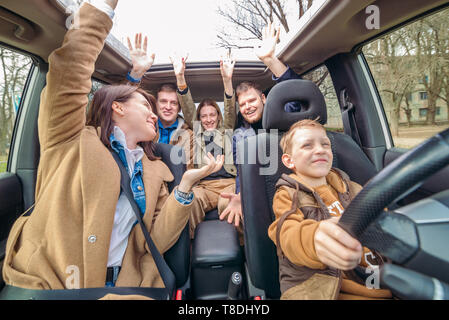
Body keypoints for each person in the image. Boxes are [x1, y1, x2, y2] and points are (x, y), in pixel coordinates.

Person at [2, 0, 223, 298]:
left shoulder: (158, 169)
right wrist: (101, 9)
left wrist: (184, 185)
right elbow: (69, 74)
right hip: (51, 285)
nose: (156, 113)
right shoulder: (70, 140)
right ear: (117, 107)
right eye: (147, 105)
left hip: (127, 287)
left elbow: (156, 240)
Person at [267, 119, 392, 300]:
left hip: (380, 276)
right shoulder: (288, 193)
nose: (320, 149)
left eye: (325, 144)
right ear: (289, 160)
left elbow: (379, 213)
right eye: (307, 146)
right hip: (333, 287)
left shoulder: (351, 187)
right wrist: (313, 239)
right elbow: (284, 231)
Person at [219, 22, 302, 229]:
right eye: (243, 104)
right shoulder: (240, 135)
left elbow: (297, 95)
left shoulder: (285, 119)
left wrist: (270, 60)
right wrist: (240, 195)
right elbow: (242, 170)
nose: (248, 107)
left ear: (263, 98)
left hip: (294, 187)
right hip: (258, 192)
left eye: (252, 101)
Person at [168, 52, 237, 238]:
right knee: (191, 201)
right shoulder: (196, 132)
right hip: (204, 186)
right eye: (204, 116)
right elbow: (188, 106)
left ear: (218, 116)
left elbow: (231, 109)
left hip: (229, 184)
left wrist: (227, 79)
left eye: (212, 115)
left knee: (227, 205)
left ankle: (239, 252)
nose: (208, 120)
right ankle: (190, 252)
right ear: (199, 119)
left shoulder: (227, 129)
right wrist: (180, 77)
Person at [126, 34, 193, 169]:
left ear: (179, 108)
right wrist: (136, 74)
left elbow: (187, 170)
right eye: (163, 101)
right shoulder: (144, 126)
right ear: (155, 104)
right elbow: (126, 105)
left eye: (173, 103)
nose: (168, 107)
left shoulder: (188, 135)